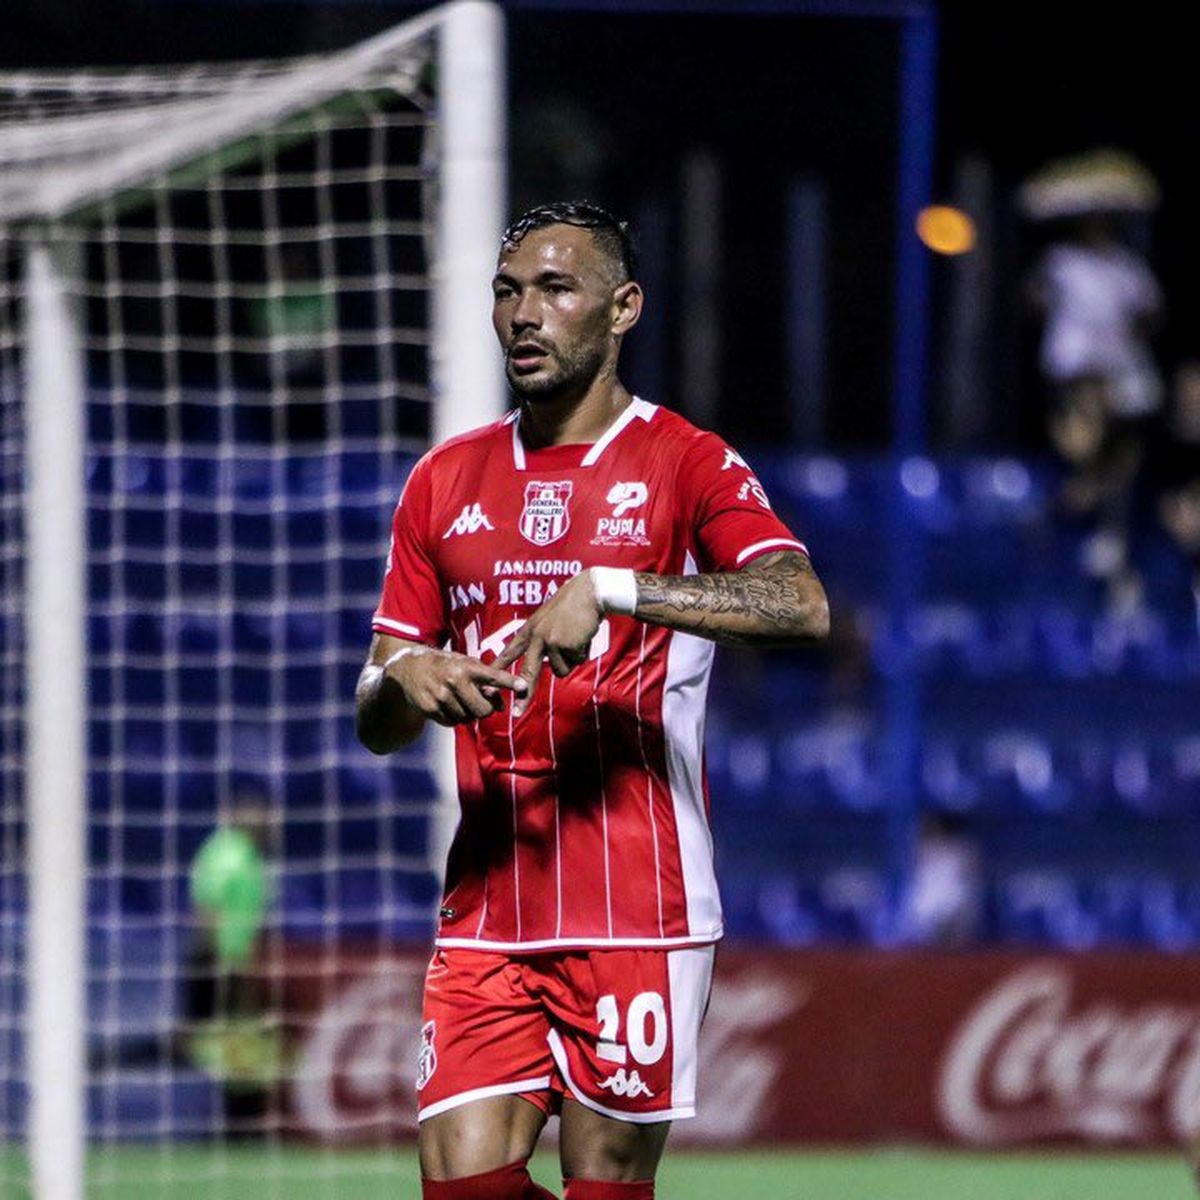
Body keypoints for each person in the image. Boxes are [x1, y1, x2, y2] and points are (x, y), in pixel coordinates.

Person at [356, 201, 829, 1200]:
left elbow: (801, 604)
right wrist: (403, 679)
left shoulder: (684, 460)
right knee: (460, 1186)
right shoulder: (444, 479)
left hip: (635, 905)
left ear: (623, 308)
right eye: (507, 291)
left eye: (555, 289)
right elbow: (376, 708)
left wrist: (614, 589)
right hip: (487, 902)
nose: (524, 314)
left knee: (604, 1185)